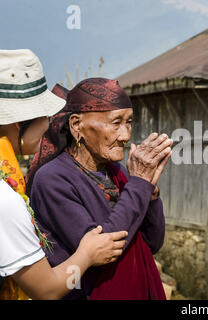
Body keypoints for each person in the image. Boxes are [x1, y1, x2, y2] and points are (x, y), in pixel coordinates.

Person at [0, 49, 128, 300]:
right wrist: (86, 255)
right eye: (44, 118)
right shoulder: (7, 200)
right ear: (20, 122)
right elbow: (47, 290)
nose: (49, 126)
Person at [29, 77, 172, 300]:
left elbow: (152, 243)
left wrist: (150, 192)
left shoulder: (120, 173)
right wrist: (138, 186)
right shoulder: (53, 180)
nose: (125, 135)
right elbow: (104, 250)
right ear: (77, 125)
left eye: (129, 122)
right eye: (116, 123)